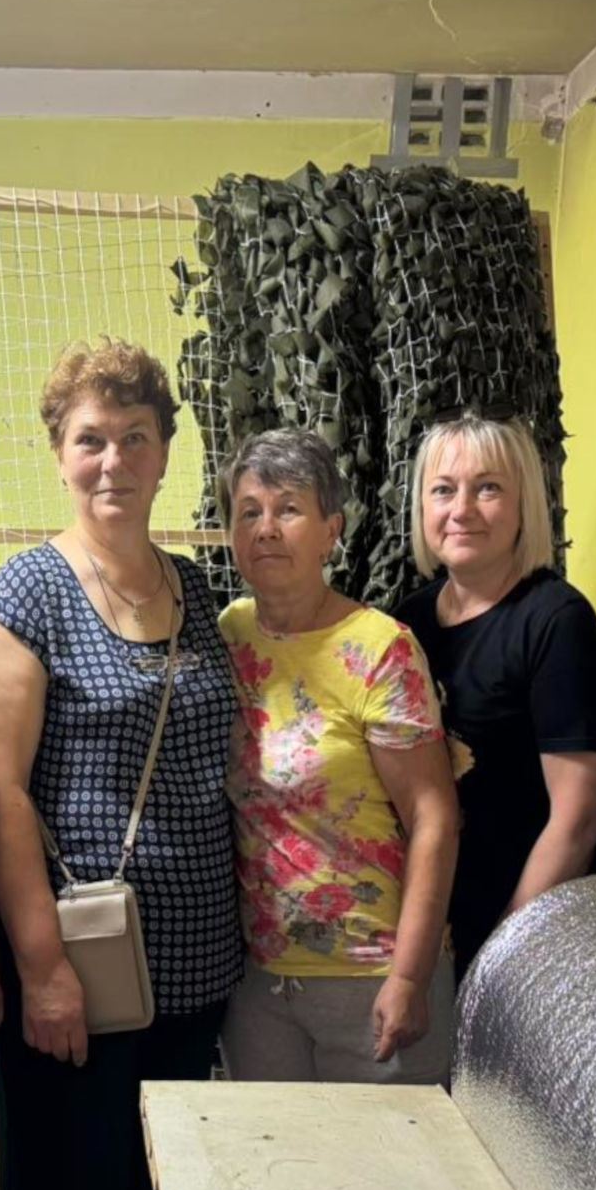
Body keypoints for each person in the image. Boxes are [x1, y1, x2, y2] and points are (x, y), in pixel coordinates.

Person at [0, 338, 241, 1190]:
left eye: (134, 437)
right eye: (90, 439)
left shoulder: (198, 591)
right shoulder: (27, 594)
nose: (113, 459)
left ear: (166, 452)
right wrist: (39, 968)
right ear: (59, 453)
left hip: (194, 969)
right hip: (77, 970)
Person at [216, 429, 459, 1082]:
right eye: (249, 511)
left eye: (289, 509)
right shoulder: (227, 636)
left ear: (331, 530)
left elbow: (434, 817)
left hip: (375, 974)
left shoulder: (379, 648)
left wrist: (410, 976)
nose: (267, 528)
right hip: (258, 985)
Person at [397, 412, 596, 978]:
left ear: (524, 505)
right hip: (434, 927)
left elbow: (578, 820)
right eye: (443, 490)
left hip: (532, 938)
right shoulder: (408, 623)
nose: (462, 509)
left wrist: (502, 954)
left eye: (487, 488)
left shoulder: (556, 621)